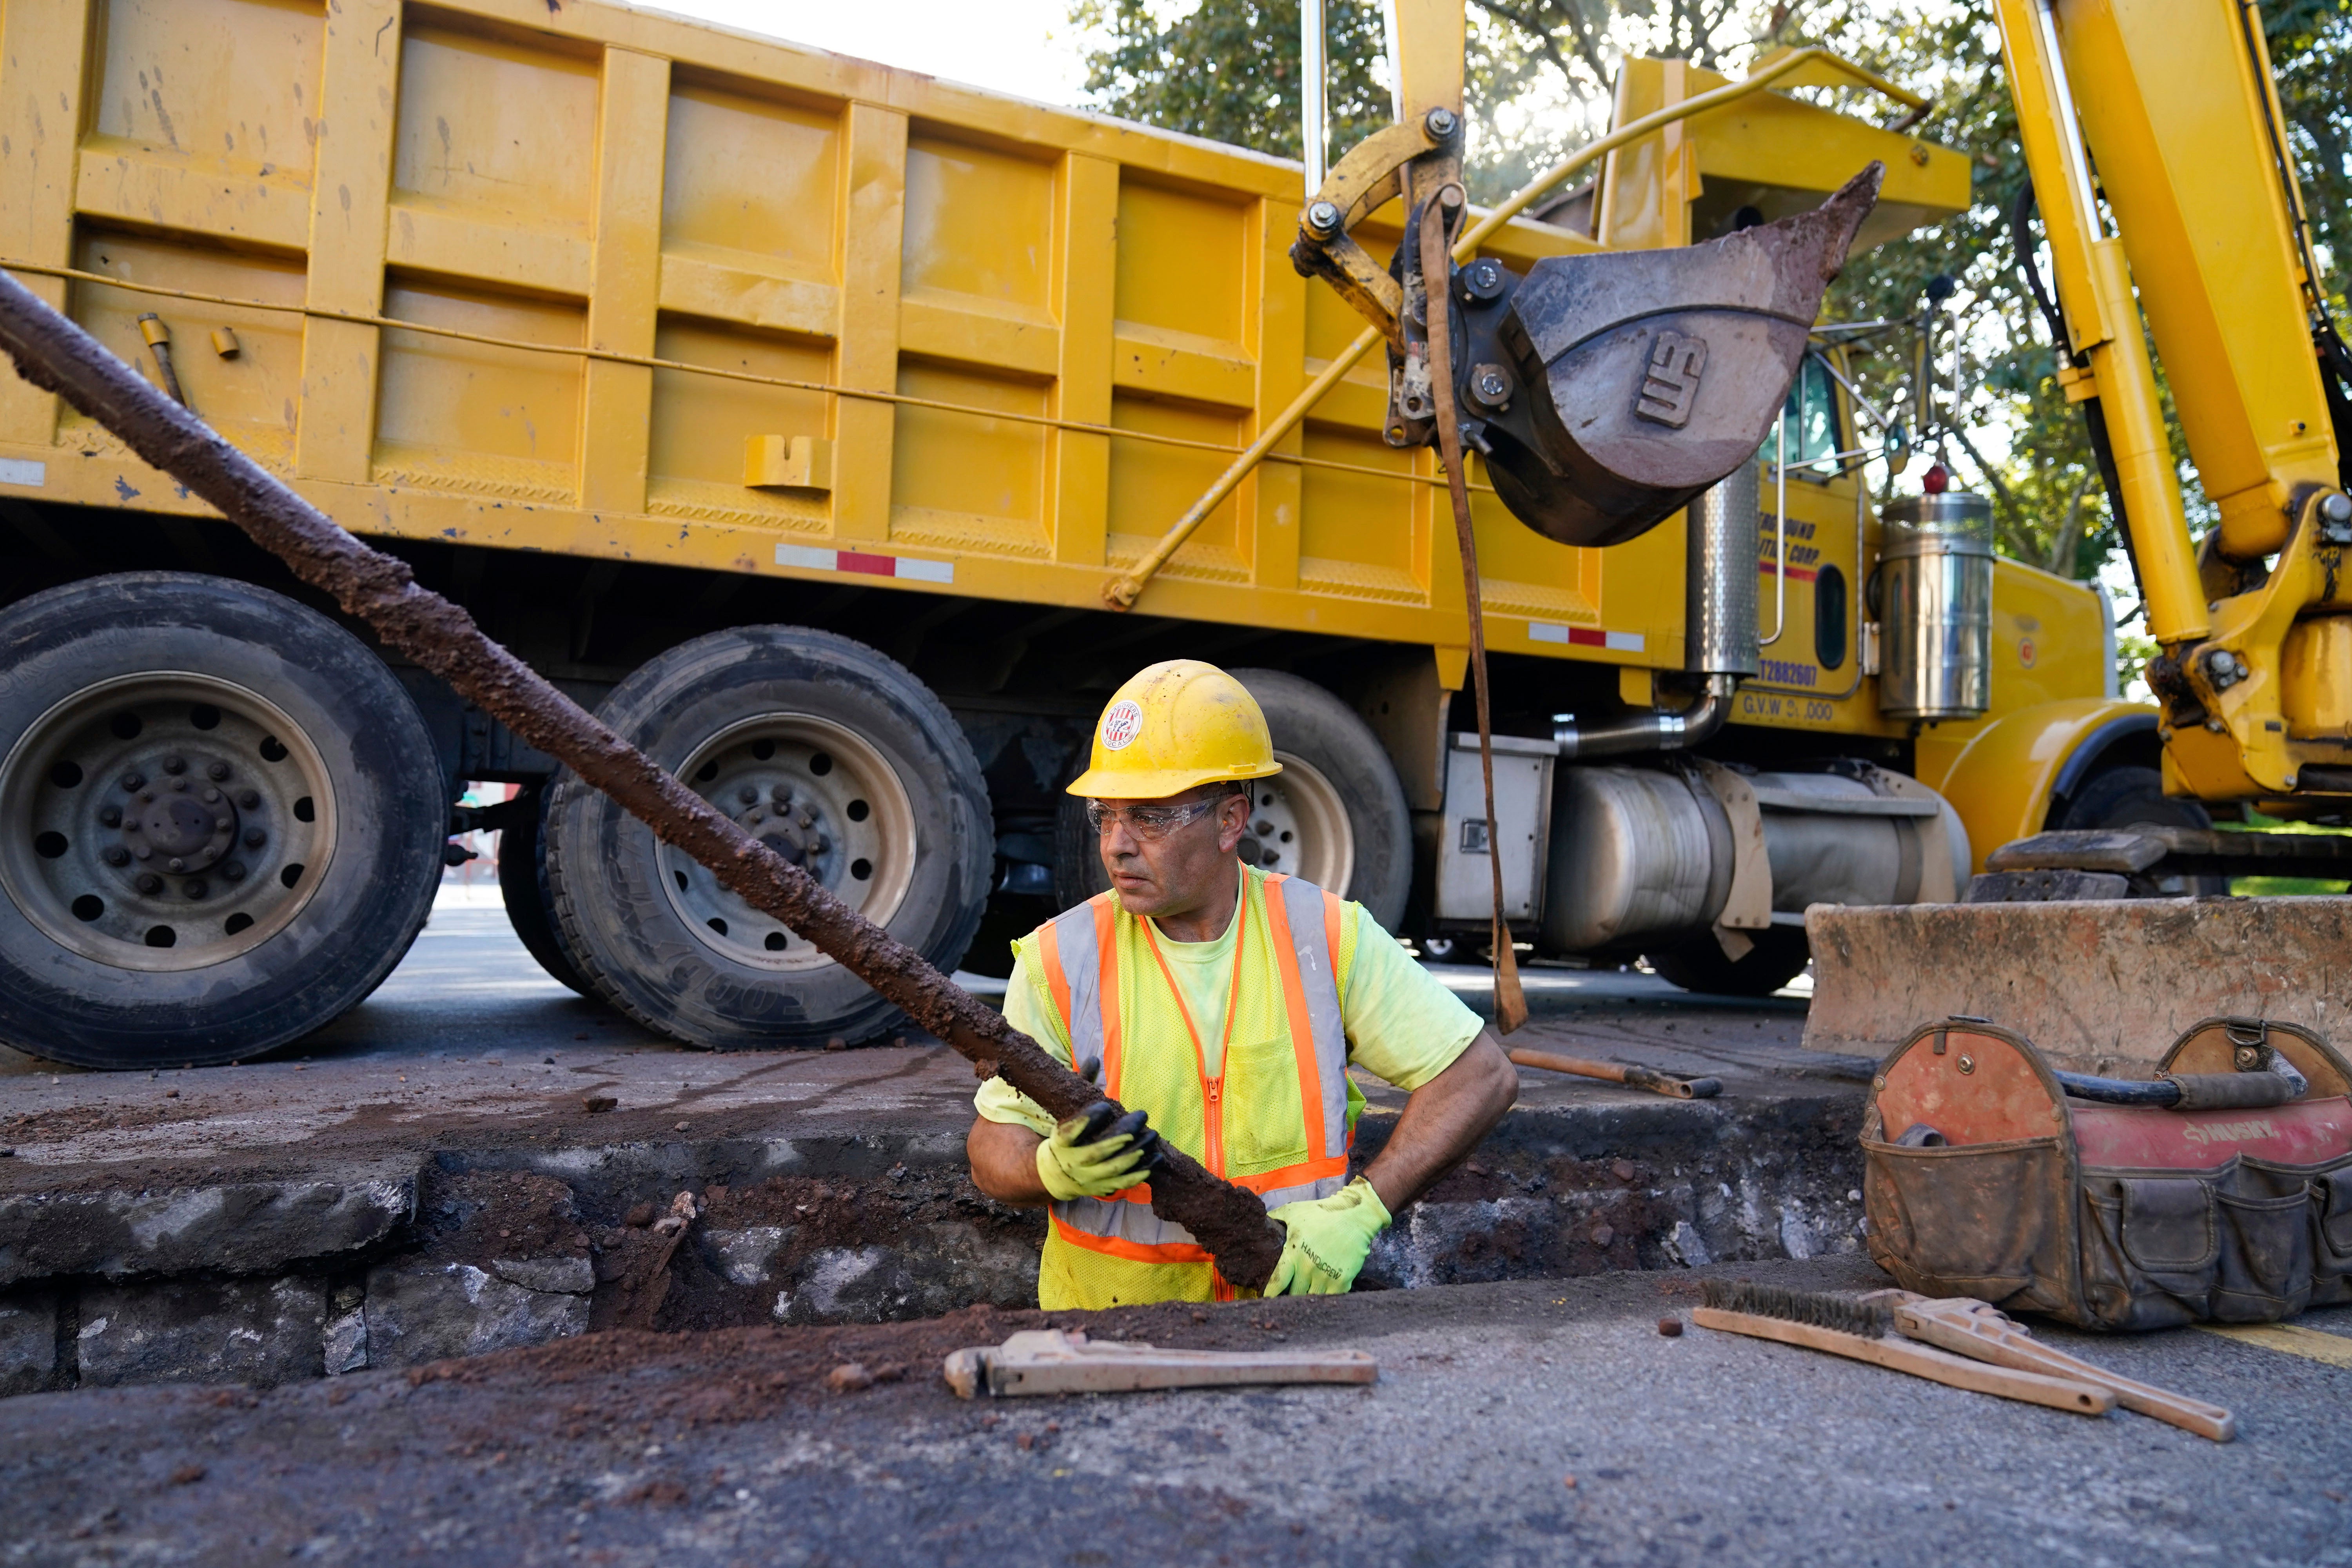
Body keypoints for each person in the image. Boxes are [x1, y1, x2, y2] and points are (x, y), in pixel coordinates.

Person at [967, 659, 1519, 1308]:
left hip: (1285, 1330)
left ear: (1232, 821)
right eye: (1105, 816)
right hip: (1113, 1345)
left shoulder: (1326, 936)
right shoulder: (1060, 957)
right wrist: (1050, 1168)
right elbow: (991, 1148)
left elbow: (1481, 1077)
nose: (1116, 845)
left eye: (1148, 817)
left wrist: (1362, 1212)